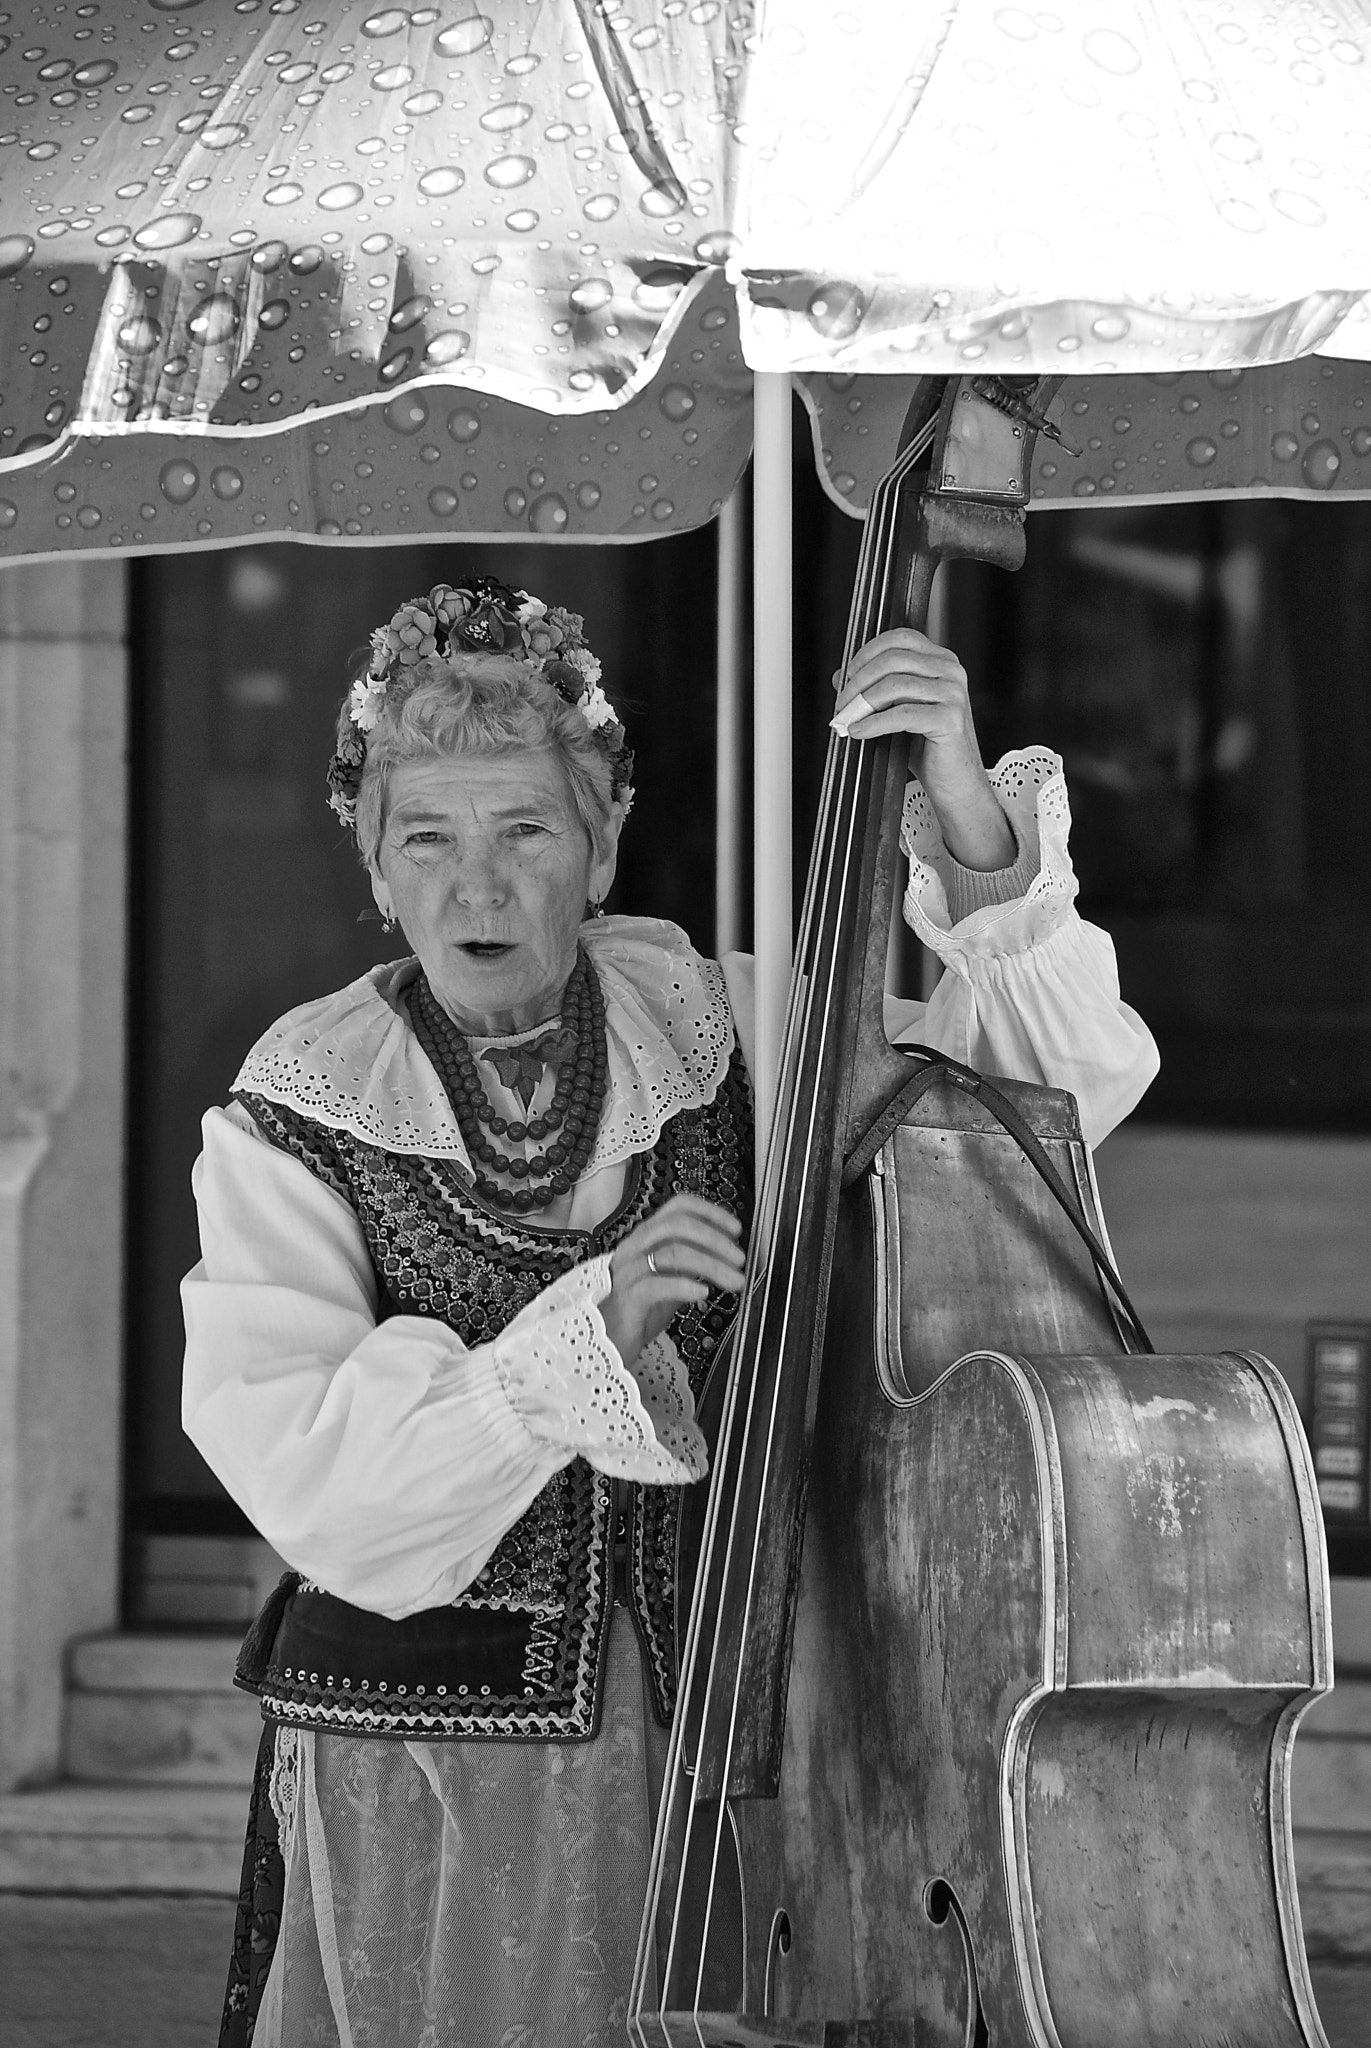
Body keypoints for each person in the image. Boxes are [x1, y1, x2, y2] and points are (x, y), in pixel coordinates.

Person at [182, 573, 1158, 2048]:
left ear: (601, 848)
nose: (479, 884)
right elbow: (309, 1470)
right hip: (446, 1777)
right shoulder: (301, 1100)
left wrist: (965, 813)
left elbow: (1035, 1114)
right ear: (375, 869)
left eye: (526, 830)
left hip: (750, 1739)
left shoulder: (727, 1022)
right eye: (427, 839)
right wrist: (577, 1344)